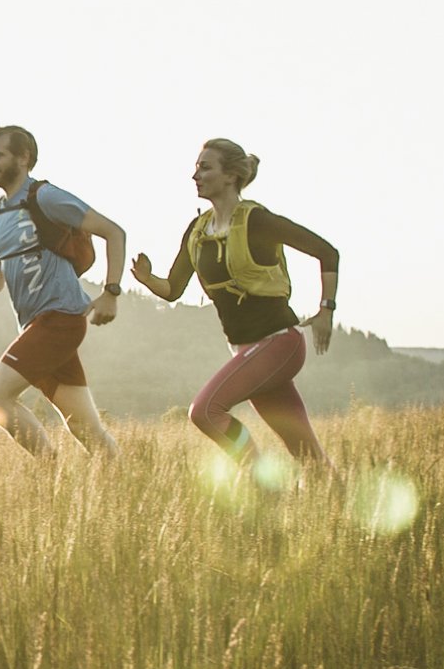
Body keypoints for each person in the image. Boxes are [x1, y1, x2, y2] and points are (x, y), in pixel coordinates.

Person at [130, 137, 339, 479]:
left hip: (278, 343)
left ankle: (264, 485)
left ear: (230, 176)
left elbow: (327, 252)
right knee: (308, 454)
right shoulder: (197, 231)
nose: (195, 175)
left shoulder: (256, 220)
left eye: (205, 167)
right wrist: (148, 278)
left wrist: (326, 309)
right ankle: (336, 503)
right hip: (246, 350)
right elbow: (172, 290)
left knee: (206, 412)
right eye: (196, 167)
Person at [0, 125, 127, 457]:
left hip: (61, 318)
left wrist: (110, 292)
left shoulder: (45, 197)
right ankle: (125, 480)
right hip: (36, 326)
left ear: (23, 157)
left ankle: (47, 474)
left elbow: (114, 232)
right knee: (84, 427)